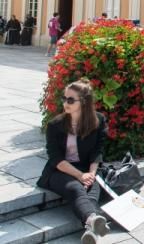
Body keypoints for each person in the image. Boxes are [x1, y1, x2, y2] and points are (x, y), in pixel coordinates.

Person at [37, 79, 109, 244]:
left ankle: (91, 229)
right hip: (59, 170)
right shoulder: (55, 125)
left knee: (91, 191)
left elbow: (97, 152)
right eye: (64, 98)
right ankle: (92, 219)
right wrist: (80, 175)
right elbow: (56, 159)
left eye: (70, 99)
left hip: (86, 168)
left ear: (83, 102)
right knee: (77, 188)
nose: (65, 102)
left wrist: (90, 174)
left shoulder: (98, 121)